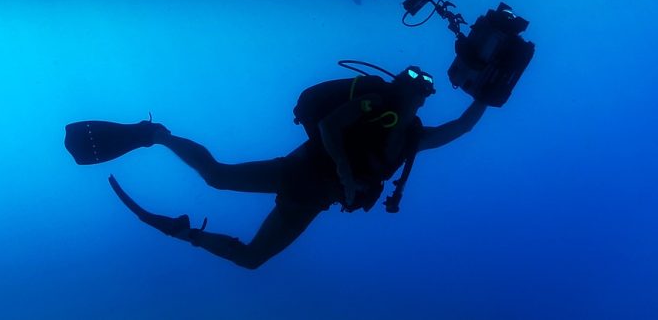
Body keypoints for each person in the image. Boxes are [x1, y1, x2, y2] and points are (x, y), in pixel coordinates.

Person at [65, 65, 488, 270]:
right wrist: (342, 170)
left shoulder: (414, 136)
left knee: (226, 196)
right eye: (416, 90)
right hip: (305, 178)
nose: (419, 97)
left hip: (309, 193)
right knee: (219, 181)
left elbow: (462, 126)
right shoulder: (372, 104)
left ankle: (182, 223)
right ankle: (157, 136)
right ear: (401, 88)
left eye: (421, 94)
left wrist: (489, 92)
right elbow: (327, 124)